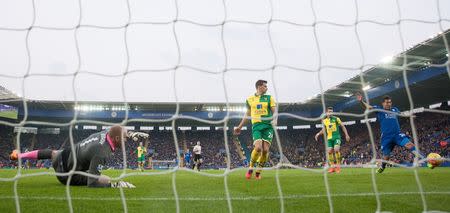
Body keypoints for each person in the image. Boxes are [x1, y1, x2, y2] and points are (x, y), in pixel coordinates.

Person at [10, 125, 149, 187]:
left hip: (61, 156)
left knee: (52, 153)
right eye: (125, 138)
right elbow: (92, 183)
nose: (126, 141)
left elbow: (116, 129)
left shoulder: (106, 133)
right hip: (66, 176)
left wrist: (130, 133)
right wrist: (115, 185)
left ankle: (19, 155)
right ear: (117, 140)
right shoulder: (102, 152)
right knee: (104, 178)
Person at [356, 93, 424, 173]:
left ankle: (425, 159)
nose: (389, 104)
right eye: (387, 102)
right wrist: (361, 101)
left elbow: (402, 114)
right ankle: (382, 167)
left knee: (410, 144)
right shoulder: (379, 109)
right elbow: (369, 107)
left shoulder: (394, 109)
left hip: (397, 135)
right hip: (386, 137)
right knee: (386, 157)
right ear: (383, 103)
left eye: (390, 102)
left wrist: (409, 115)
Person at [234, 79, 277, 180]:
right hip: (256, 126)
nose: (267, 88)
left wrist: (275, 120)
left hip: (268, 127)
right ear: (259, 87)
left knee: (265, 150)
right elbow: (247, 114)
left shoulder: (269, 98)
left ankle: (258, 172)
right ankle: (250, 168)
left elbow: (275, 111)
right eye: (265, 86)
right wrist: (239, 126)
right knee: (258, 148)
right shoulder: (250, 99)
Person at [315, 107, 350, 173]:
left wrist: (346, 134)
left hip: (337, 137)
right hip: (329, 138)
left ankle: (338, 166)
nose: (331, 113)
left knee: (336, 149)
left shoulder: (336, 119)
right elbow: (324, 129)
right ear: (327, 112)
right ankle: (332, 167)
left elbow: (343, 126)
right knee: (329, 151)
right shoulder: (324, 121)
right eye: (329, 111)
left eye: (332, 111)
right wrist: (318, 134)